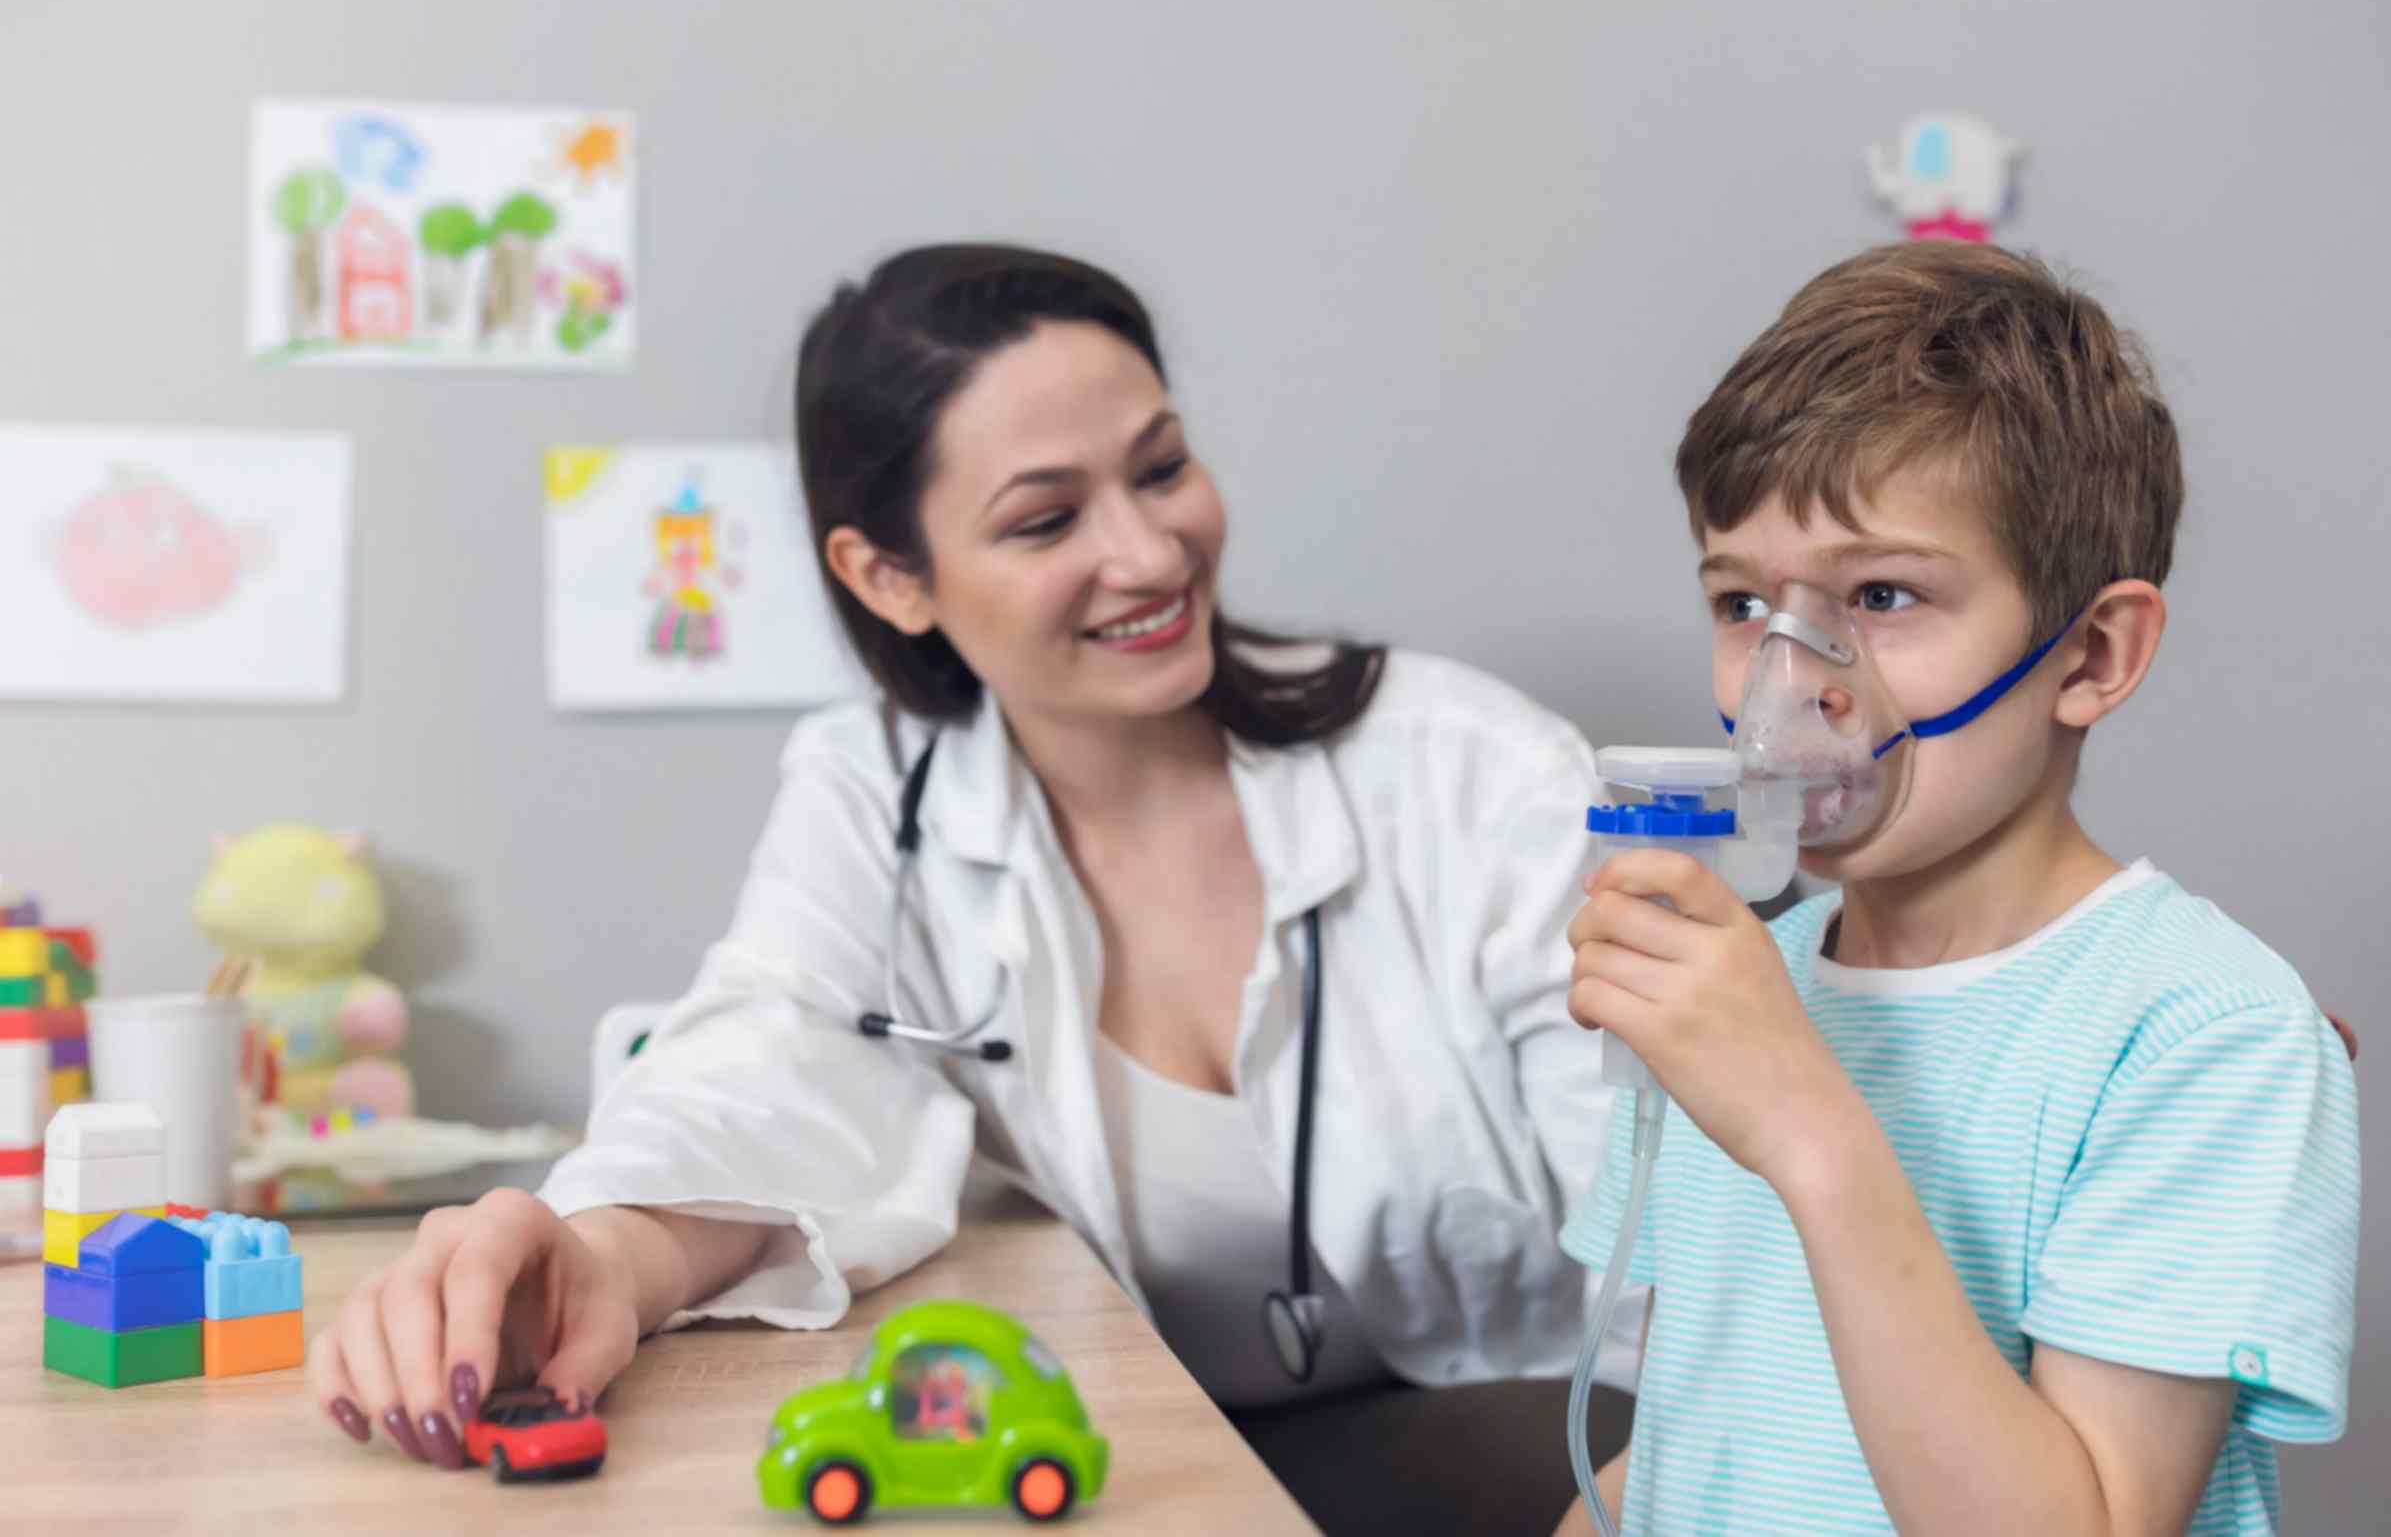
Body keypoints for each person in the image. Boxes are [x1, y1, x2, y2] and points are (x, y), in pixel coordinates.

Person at [310, 244, 1640, 1533]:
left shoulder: (1477, 774)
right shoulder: (873, 793)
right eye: (1048, 518)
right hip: (1135, 1446)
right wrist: (597, 1257)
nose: (1151, 552)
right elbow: (766, 1057)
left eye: (1162, 468)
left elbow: (1686, 1225)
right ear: (888, 577)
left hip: (1523, 1432)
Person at [1558, 242, 2360, 1535]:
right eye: (1741, 599)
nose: (1790, 676)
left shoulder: (2204, 1035)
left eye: (1880, 595)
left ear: (2090, 653)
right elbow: (1698, 1442)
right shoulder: (1745, 993)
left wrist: (1807, 1128)